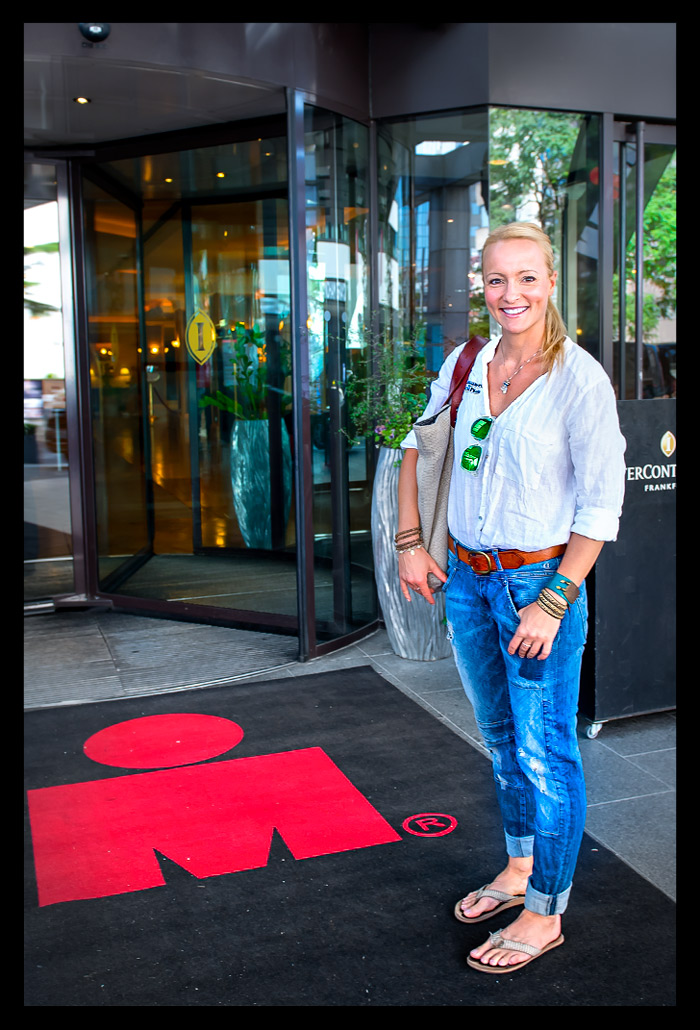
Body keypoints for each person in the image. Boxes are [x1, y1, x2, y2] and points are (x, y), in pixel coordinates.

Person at [396, 222, 626, 973]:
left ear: (552, 282)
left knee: (545, 752)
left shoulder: (579, 379)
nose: (511, 294)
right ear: (482, 286)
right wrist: (409, 545)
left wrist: (554, 600)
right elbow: (419, 445)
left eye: (527, 278)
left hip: (538, 586)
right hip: (466, 578)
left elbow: (599, 507)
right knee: (501, 742)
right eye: (498, 280)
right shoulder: (470, 362)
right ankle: (520, 868)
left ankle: (546, 912)